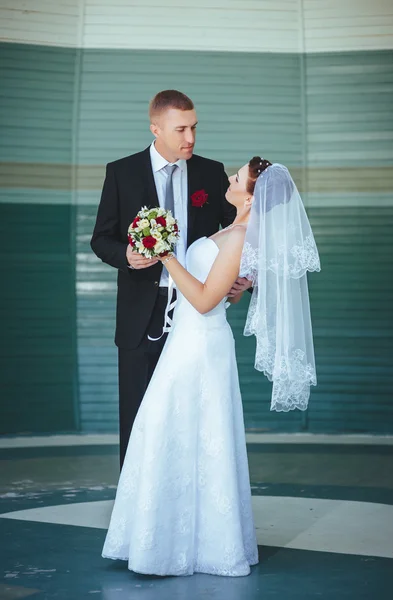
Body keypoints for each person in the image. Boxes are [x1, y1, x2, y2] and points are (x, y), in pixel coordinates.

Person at [102, 158, 321, 577]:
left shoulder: (240, 236)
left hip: (200, 344)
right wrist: (235, 285)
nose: (229, 179)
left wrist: (165, 257)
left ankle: (194, 545)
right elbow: (224, 285)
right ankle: (163, 538)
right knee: (174, 433)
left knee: (191, 434)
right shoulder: (234, 229)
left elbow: (204, 300)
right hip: (186, 341)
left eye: (237, 178)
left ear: (251, 196)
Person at [90, 90, 250, 469]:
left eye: (194, 127)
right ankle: (136, 511)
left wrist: (246, 280)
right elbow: (101, 238)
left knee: (192, 411)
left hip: (199, 314)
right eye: (181, 129)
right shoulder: (121, 172)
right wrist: (125, 256)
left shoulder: (212, 173)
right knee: (138, 414)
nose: (190, 138)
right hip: (140, 314)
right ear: (156, 128)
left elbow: (238, 235)